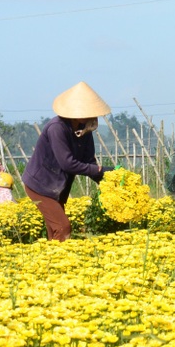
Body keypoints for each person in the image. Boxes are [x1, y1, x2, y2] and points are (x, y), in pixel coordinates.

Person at [22, 81, 113, 241]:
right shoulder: (57, 128)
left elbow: (88, 160)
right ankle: (58, 262)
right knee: (63, 227)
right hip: (40, 186)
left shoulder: (84, 129)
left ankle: (49, 262)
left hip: (59, 187)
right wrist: (99, 170)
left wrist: (108, 180)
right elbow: (67, 163)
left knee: (54, 231)